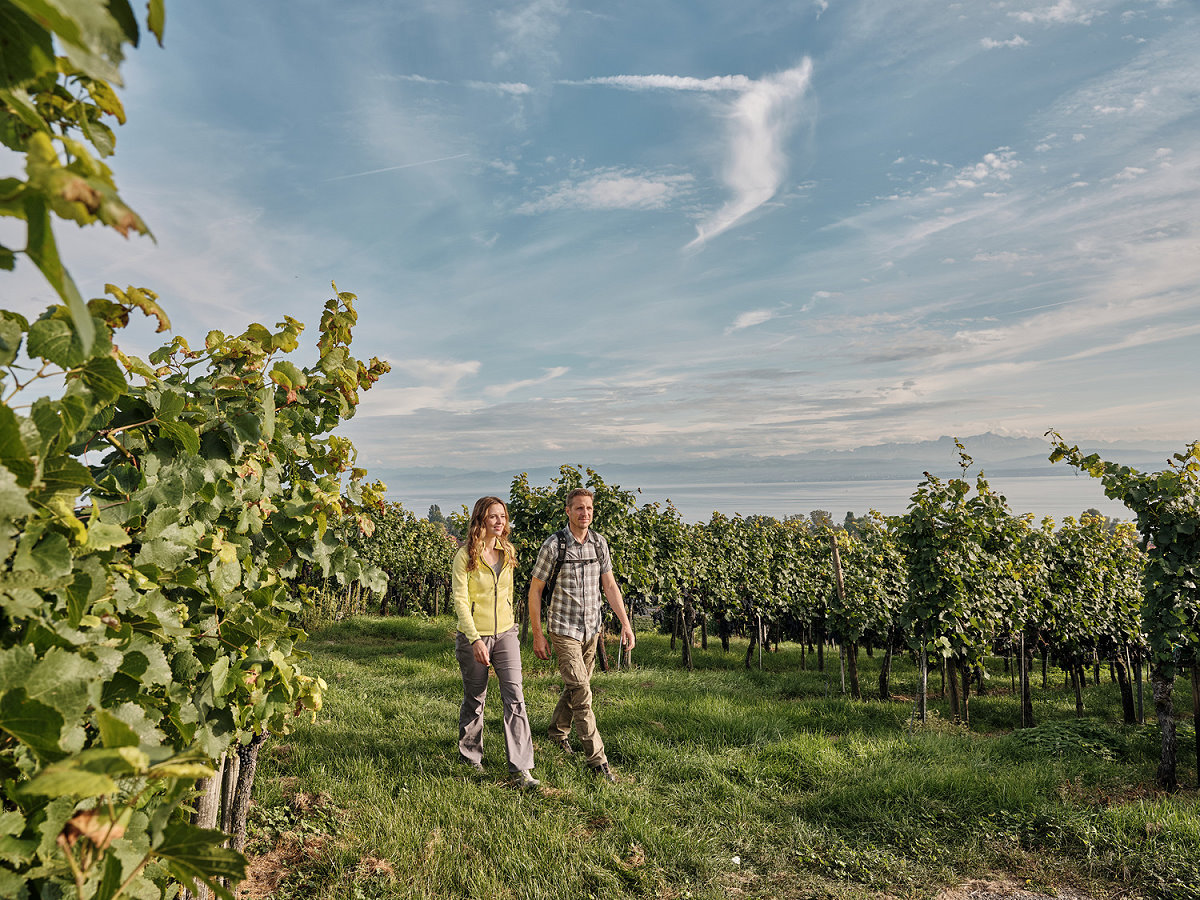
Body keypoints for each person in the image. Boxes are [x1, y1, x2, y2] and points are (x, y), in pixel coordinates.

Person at [528, 488, 635, 782]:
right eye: (578, 508)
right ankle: (598, 761)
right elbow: (535, 591)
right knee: (583, 694)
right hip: (563, 629)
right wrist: (538, 634)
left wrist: (625, 624)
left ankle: (556, 732)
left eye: (588, 508)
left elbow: (610, 586)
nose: (584, 514)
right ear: (567, 511)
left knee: (577, 686)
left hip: (592, 628)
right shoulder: (554, 546)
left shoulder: (599, 543)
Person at [451, 496, 538, 790]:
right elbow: (461, 602)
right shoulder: (466, 556)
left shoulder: (507, 551)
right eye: (493, 517)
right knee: (475, 699)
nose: (500, 522)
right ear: (481, 520)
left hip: (506, 634)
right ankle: (471, 759)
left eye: (502, 516)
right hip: (474, 636)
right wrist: (475, 639)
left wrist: (509, 625)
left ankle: (522, 768)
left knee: (515, 697)